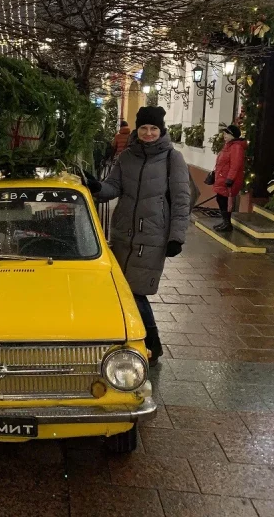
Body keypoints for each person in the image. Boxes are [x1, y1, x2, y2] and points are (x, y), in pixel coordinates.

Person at [84, 106, 191, 365]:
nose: (148, 133)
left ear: (161, 130)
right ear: (137, 129)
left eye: (153, 128)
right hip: (123, 233)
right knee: (122, 289)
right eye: (144, 128)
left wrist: (177, 236)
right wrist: (97, 186)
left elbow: (181, 199)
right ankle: (135, 339)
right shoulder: (127, 156)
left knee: (136, 290)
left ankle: (151, 343)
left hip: (153, 235)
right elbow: (113, 188)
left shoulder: (172, 158)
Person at [212, 124, 247, 232]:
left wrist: (230, 179)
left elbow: (235, 165)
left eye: (227, 133)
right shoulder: (228, 146)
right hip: (222, 177)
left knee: (225, 201)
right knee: (221, 199)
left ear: (233, 135)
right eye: (224, 133)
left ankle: (227, 224)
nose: (224, 135)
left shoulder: (236, 147)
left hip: (229, 180)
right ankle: (225, 222)